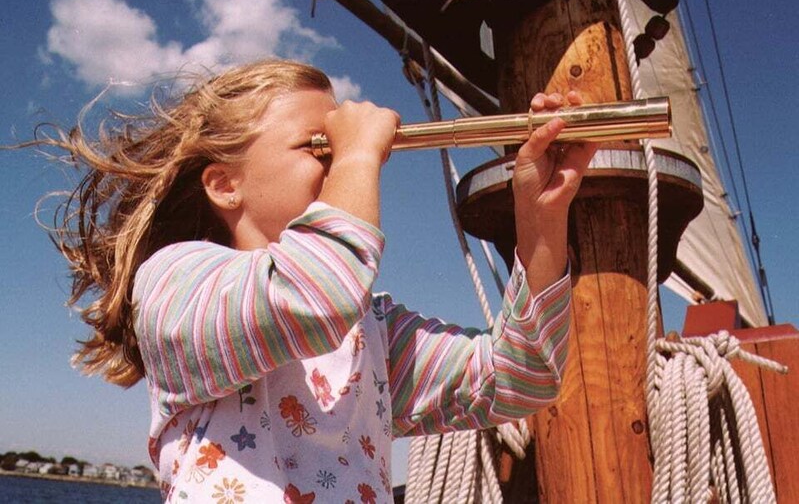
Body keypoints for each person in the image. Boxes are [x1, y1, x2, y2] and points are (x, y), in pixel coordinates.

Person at [39, 59, 595, 502]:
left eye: (338, 147)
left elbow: (522, 378)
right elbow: (310, 298)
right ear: (224, 185)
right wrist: (355, 158)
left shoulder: (368, 325)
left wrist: (541, 214)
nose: (345, 161)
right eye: (318, 146)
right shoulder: (177, 280)